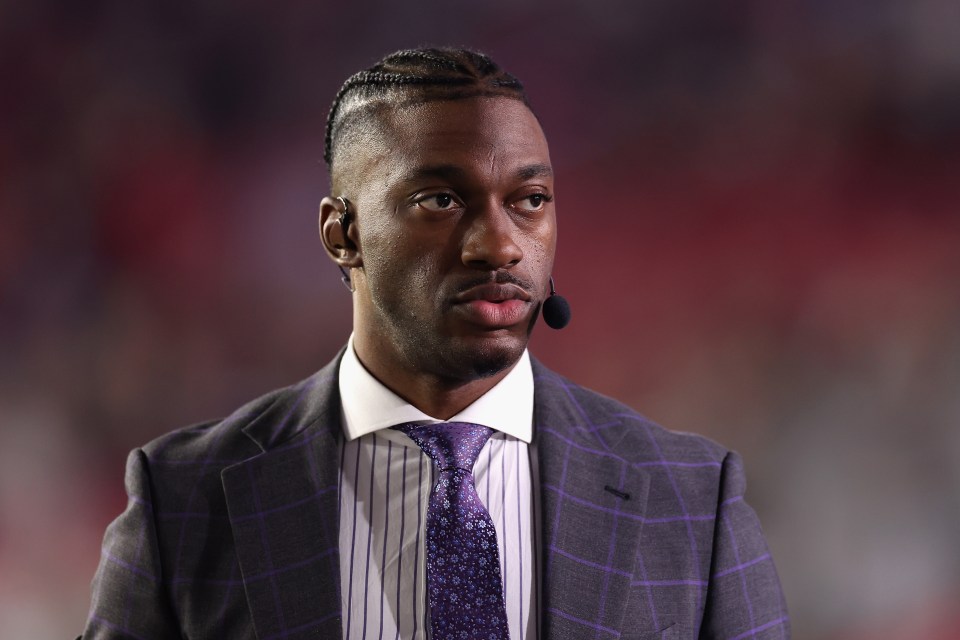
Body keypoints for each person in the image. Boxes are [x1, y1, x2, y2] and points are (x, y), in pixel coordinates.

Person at [81, 48, 789, 640]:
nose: (500, 244)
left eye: (529, 200)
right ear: (342, 234)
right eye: (441, 201)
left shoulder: (693, 499)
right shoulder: (184, 500)